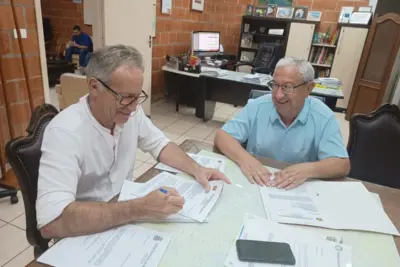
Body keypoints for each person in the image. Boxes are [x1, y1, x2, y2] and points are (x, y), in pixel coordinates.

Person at [37, 44, 231, 239]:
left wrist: (197, 169)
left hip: (122, 217)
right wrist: (138, 208)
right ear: (94, 87)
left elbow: (160, 145)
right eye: (125, 97)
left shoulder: (130, 112)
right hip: (84, 232)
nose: (133, 108)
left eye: (137, 97)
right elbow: (51, 223)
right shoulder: (64, 132)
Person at [214, 57, 350, 190]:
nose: (278, 95)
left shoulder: (323, 116)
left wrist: (309, 169)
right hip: (256, 183)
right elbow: (222, 137)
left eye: (287, 87)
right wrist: (246, 159)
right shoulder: (258, 106)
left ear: (309, 88)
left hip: (297, 189)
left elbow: (341, 164)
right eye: (274, 85)